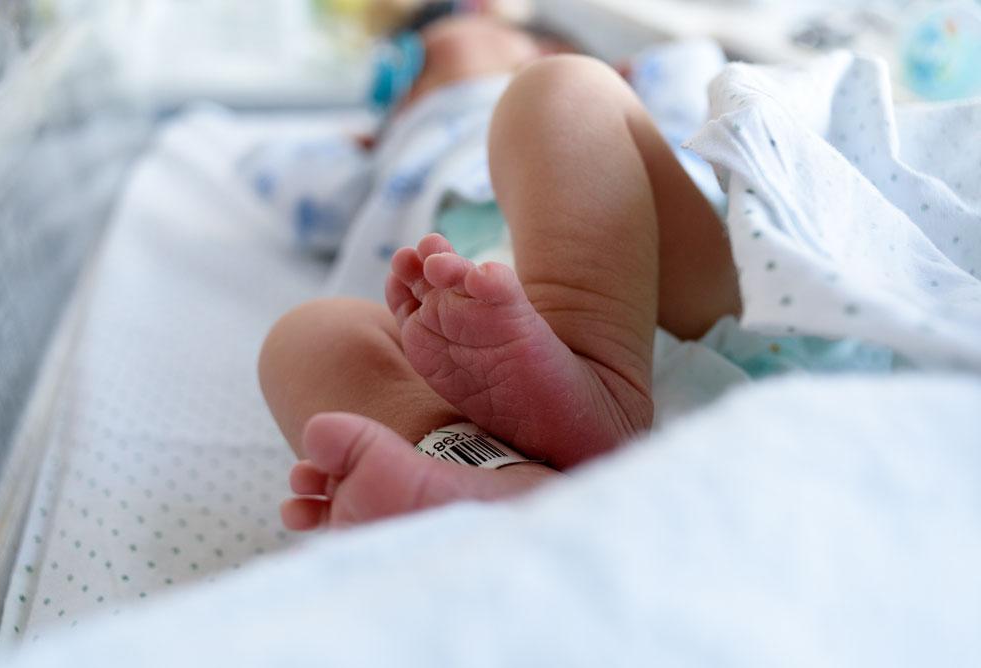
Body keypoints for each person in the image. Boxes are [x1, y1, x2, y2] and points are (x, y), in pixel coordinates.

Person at [258, 15, 740, 529]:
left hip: (675, 296)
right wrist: (370, 140)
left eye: (431, 38)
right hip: (486, 374)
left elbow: (702, 69)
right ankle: (486, 475)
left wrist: (618, 79)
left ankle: (602, 388)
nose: (400, 68)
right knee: (309, 333)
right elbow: (300, 192)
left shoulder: (608, 89)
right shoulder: (393, 150)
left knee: (563, 91)